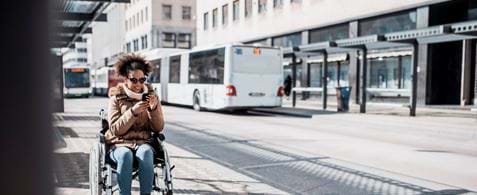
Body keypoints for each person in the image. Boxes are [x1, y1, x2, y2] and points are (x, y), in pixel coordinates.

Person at [105, 54, 165, 195]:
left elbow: (158, 128)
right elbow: (115, 130)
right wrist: (133, 112)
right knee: (125, 155)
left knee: (145, 152)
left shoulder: (152, 97)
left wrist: (153, 109)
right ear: (125, 79)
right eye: (133, 80)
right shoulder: (116, 98)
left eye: (142, 79)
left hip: (143, 142)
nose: (138, 84)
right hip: (119, 143)